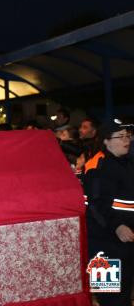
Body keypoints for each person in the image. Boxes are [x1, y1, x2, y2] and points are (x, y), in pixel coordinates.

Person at [83, 121, 134, 305]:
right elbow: (95, 205)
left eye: (127, 135)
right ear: (106, 141)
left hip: (125, 241)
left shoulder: (126, 163)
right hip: (102, 245)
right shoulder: (97, 166)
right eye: (120, 136)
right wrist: (118, 226)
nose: (126, 140)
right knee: (109, 296)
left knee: (124, 294)